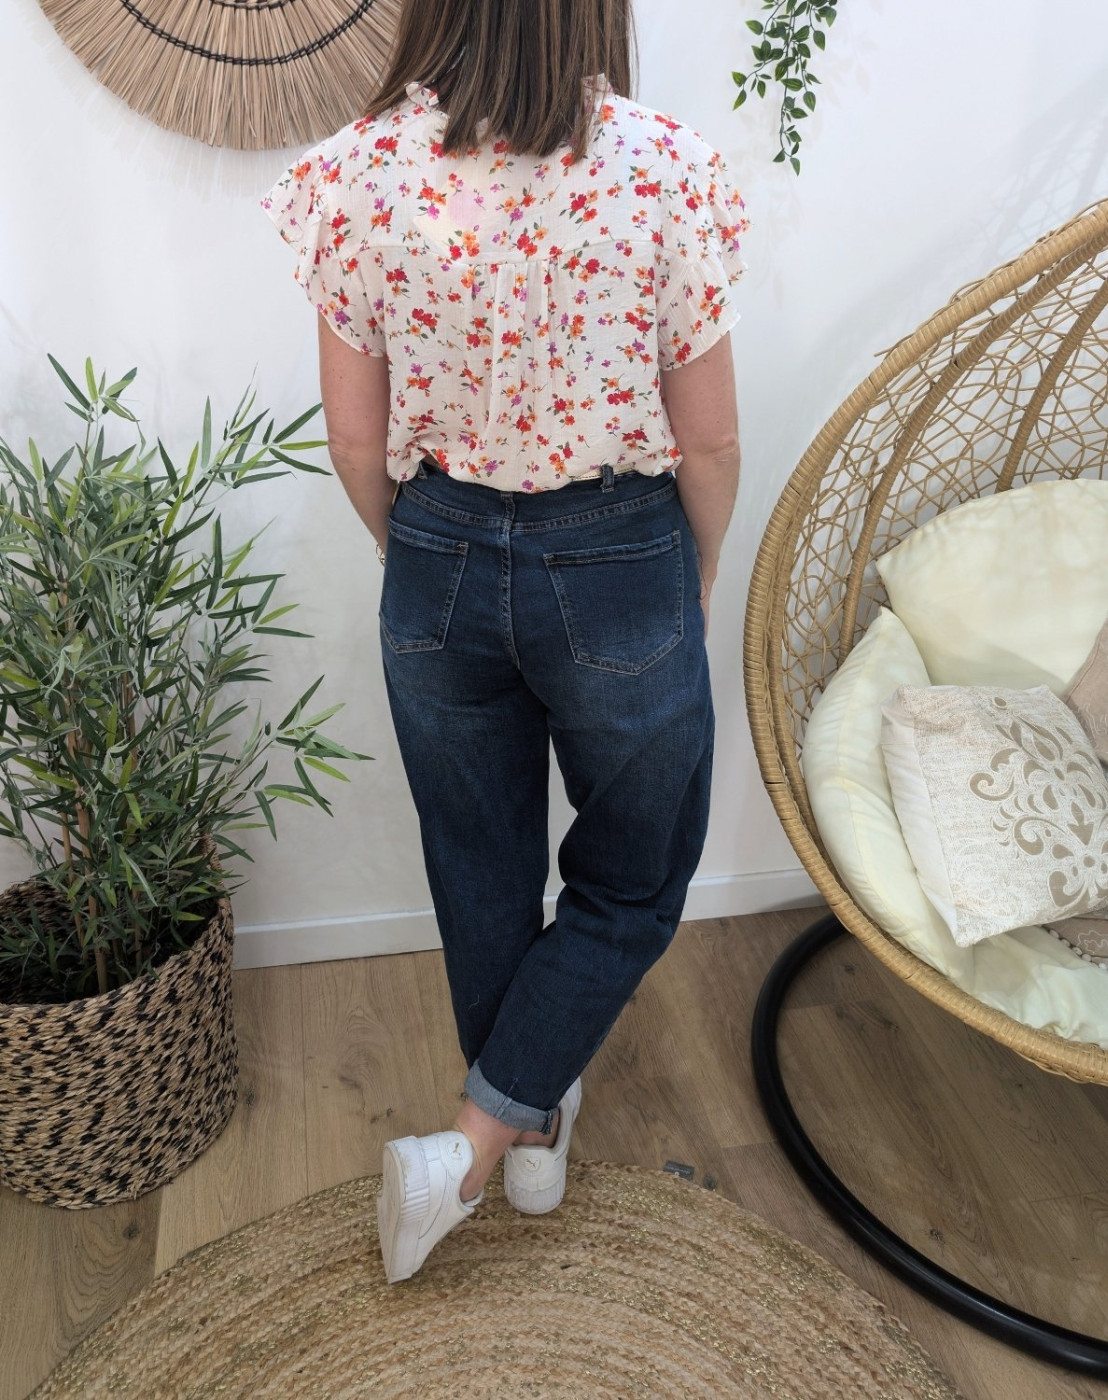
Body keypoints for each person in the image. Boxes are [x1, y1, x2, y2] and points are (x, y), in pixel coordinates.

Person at [260, 0, 748, 1286]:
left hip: (439, 551)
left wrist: (413, 554)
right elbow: (708, 442)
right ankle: (482, 1149)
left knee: (477, 871)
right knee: (637, 877)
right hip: (619, 552)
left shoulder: (356, 175)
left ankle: (525, 1129)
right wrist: (690, 570)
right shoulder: (662, 167)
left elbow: (356, 446)